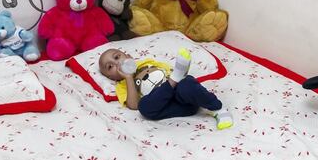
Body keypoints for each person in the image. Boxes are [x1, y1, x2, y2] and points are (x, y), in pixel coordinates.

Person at [99, 47, 234, 130]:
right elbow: (133, 105)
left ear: (128, 56)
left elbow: (172, 71)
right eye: (110, 67)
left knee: (185, 83)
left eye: (117, 57)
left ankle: (218, 109)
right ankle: (175, 78)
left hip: (182, 93)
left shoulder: (148, 63)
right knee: (144, 107)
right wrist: (128, 78)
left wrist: (178, 76)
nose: (117, 63)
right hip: (169, 107)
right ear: (111, 77)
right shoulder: (122, 85)